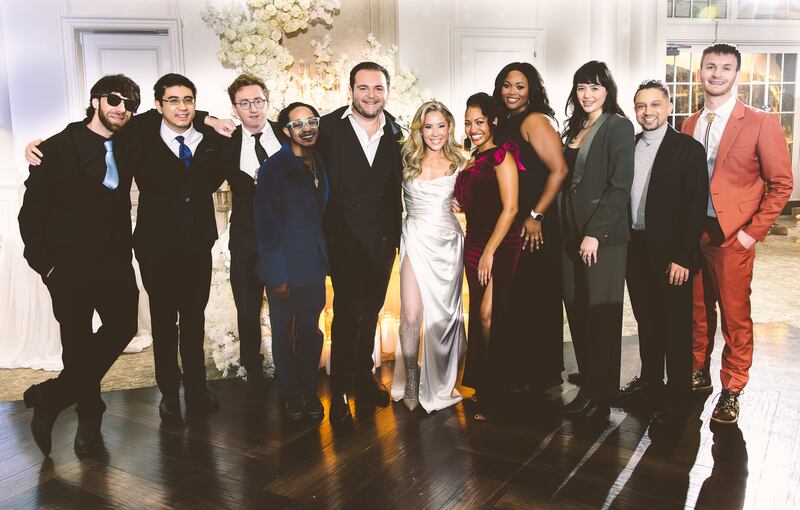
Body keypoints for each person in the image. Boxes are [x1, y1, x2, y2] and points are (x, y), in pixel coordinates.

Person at [23, 74, 229, 420]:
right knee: (163, 323)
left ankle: (197, 390)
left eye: (189, 100)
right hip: (154, 247)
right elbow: (87, 134)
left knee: (194, 319)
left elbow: (200, 125)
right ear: (157, 105)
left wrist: (208, 117)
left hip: (197, 246)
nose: (182, 107)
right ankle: (167, 394)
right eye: (173, 100)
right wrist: (39, 147)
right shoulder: (140, 134)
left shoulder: (210, 136)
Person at [18, 75, 141, 456]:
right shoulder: (54, 149)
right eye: (115, 100)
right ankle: (89, 420)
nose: (122, 109)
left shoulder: (131, 141)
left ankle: (52, 395)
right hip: (67, 268)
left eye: (129, 105)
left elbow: (175, 111)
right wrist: (46, 266)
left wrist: (208, 120)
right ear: (96, 100)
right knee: (77, 344)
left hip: (115, 263)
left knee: (123, 326)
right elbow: (30, 214)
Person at [684, 43, 793, 424]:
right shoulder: (689, 122)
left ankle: (732, 387)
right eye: (710, 66)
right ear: (700, 71)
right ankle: (697, 369)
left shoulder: (761, 122)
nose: (717, 74)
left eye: (725, 68)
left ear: (736, 75)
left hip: (733, 236)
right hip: (692, 234)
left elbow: (781, 184)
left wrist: (751, 235)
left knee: (734, 316)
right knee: (696, 311)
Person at [317, 62, 404, 426]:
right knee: (347, 314)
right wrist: (211, 119)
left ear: (386, 90)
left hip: (382, 239)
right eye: (363, 88)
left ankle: (364, 380)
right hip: (343, 238)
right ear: (350, 89)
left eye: (378, 88)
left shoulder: (398, 131)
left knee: (371, 312)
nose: (371, 95)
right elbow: (281, 133)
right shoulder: (326, 128)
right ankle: (339, 392)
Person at [621, 79, 708, 426]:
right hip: (636, 249)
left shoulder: (688, 149)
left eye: (655, 105)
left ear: (668, 106)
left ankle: (679, 399)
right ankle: (652, 386)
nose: (648, 112)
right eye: (641, 106)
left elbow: (694, 206)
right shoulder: (629, 146)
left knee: (675, 325)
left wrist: (683, 257)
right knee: (647, 322)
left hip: (672, 254)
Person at [559, 61, 634, 420]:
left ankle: (600, 396)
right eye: (581, 88)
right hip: (570, 234)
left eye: (595, 88)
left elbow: (620, 187)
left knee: (601, 316)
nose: (587, 95)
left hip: (601, 238)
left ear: (608, 90)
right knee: (577, 310)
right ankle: (589, 383)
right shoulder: (574, 127)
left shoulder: (617, 127)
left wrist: (595, 233)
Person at [202, 73, 286, 397]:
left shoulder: (286, 133)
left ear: (268, 101)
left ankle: (289, 369)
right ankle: (254, 371)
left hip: (284, 240)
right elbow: (204, 178)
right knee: (248, 310)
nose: (253, 109)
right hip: (246, 239)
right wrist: (207, 122)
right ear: (234, 108)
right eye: (245, 103)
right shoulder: (226, 143)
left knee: (286, 311)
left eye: (258, 101)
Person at [492, 62, 568, 392]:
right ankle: (519, 371)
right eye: (507, 85)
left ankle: (538, 374)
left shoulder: (534, 120)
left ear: (531, 90)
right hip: (514, 219)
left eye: (520, 86)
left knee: (534, 297)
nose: (512, 91)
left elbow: (560, 170)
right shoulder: (504, 122)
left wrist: (536, 216)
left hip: (535, 222)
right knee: (517, 297)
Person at [253, 102, 328, 420]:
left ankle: (309, 391)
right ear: (286, 131)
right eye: (298, 124)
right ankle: (290, 394)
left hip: (313, 265)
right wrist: (276, 275)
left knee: (311, 333)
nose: (307, 128)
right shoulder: (274, 167)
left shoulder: (320, 161)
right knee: (284, 334)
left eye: (311, 121)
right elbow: (266, 224)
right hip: (284, 268)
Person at [390, 100, 467, 412]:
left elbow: (477, 197)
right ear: (419, 129)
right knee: (410, 313)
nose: (434, 132)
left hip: (448, 243)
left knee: (444, 318)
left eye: (440, 125)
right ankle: (410, 379)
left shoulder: (460, 162)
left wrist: (464, 205)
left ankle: (441, 382)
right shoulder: (406, 158)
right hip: (415, 237)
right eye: (428, 126)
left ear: (449, 127)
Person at [454, 92, 523, 421]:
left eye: (479, 122)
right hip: (473, 243)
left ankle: (497, 392)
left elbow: (510, 209)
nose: (472, 128)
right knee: (480, 317)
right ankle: (484, 387)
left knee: (488, 316)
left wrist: (490, 253)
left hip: (500, 244)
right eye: (468, 123)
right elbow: (473, 201)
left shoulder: (502, 157)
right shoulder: (472, 159)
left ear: (493, 121)